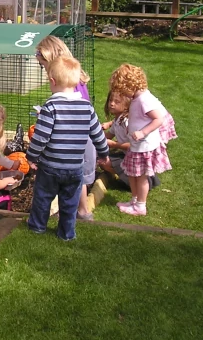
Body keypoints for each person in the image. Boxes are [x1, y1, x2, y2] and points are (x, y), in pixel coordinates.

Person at [26, 56, 109, 240]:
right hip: (74, 168)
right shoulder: (87, 107)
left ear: (52, 81)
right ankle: (66, 233)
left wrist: (31, 156)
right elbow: (97, 134)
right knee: (70, 201)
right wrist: (104, 153)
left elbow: (41, 137)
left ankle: (37, 227)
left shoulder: (50, 107)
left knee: (43, 197)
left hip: (50, 166)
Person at [34, 35, 96, 220]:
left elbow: (72, 114)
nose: (44, 70)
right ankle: (78, 211)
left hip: (76, 139)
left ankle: (81, 212)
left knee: (76, 178)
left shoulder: (70, 86)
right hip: (80, 136)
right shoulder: (74, 80)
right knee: (76, 178)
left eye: (43, 65)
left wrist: (50, 117)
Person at [108, 63, 175, 216]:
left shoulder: (144, 99)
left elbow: (159, 119)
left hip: (144, 146)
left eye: (122, 90)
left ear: (129, 85)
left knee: (141, 176)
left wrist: (142, 132)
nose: (122, 95)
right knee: (132, 174)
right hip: (136, 145)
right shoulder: (137, 97)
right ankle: (134, 200)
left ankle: (140, 206)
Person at [98, 90, 160, 190]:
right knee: (102, 158)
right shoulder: (117, 120)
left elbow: (133, 145)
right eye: (110, 100)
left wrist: (114, 144)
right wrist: (94, 136)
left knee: (103, 162)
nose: (112, 104)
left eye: (117, 102)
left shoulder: (126, 122)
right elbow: (109, 135)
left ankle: (135, 183)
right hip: (127, 155)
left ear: (126, 105)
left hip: (136, 157)